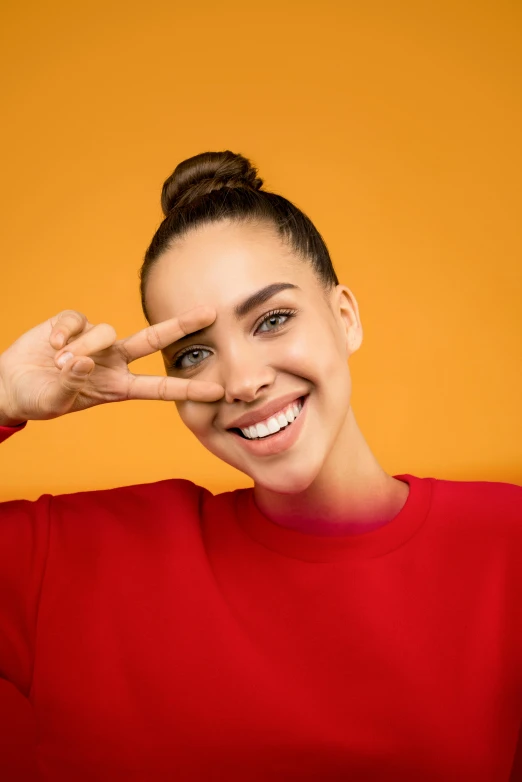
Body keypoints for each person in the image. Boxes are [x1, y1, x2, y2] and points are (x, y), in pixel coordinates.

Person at [0, 150, 521, 782]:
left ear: (345, 317)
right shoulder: (74, 557)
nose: (243, 382)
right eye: (193, 355)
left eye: (272, 320)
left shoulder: (505, 544)